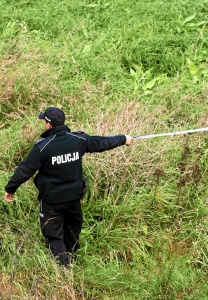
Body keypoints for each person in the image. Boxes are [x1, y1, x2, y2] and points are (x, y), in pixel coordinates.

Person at [4, 107, 133, 268]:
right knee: (73, 229)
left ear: (48, 124)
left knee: (53, 233)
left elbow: (24, 170)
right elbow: (101, 142)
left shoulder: (42, 147)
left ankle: (64, 269)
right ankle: (71, 257)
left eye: (44, 121)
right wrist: (123, 139)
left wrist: (10, 189)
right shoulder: (78, 139)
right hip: (74, 197)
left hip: (51, 200)